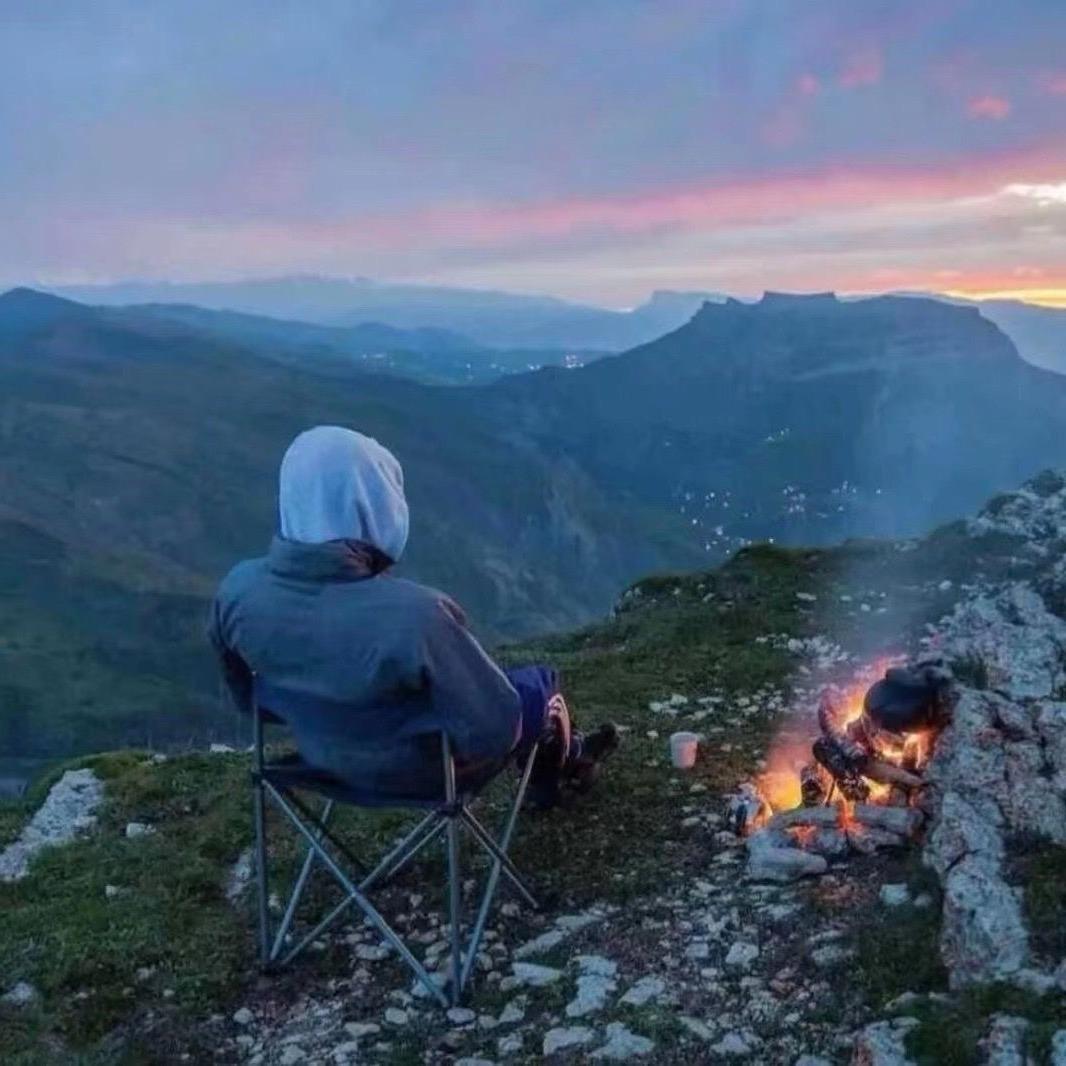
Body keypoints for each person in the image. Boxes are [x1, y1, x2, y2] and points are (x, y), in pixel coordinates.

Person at [208, 424, 618, 807]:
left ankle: (573, 755)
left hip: (321, 762)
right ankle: (557, 771)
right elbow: (494, 729)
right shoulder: (416, 616)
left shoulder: (237, 592)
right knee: (540, 686)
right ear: (374, 506)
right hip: (426, 775)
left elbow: (250, 700)